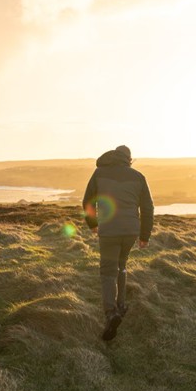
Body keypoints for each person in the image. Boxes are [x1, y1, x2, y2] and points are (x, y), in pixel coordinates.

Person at [82, 145, 154, 341]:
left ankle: (110, 312)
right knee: (121, 265)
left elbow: (88, 201)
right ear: (129, 159)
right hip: (131, 231)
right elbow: (148, 208)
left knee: (107, 270)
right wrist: (144, 235)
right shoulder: (138, 176)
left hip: (109, 230)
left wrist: (93, 224)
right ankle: (121, 305)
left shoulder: (99, 172)